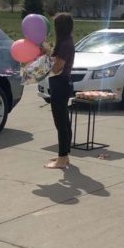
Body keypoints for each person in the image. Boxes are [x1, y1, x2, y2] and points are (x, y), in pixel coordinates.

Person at [44, 12, 75, 169]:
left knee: (60, 121)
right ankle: (65, 155)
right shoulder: (65, 42)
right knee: (64, 120)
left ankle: (62, 158)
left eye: (55, 25)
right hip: (61, 84)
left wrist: (45, 65)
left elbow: (57, 67)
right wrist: (48, 51)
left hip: (60, 84)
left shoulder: (65, 44)